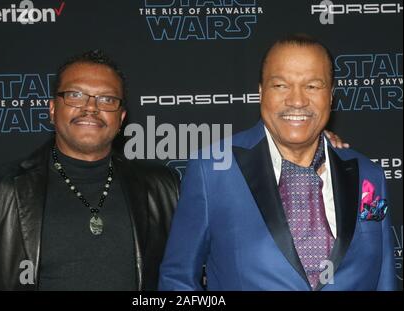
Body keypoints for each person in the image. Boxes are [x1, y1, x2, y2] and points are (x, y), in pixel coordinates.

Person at [158, 34, 396, 291]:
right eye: (281, 85)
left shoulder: (368, 174)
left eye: (313, 86)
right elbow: (177, 280)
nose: (297, 100)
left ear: (331, 95)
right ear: (261, 92)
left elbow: (384, 278)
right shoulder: (213, 169)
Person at [0, 50, 180, 290]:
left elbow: (184, 278)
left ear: (121, 117)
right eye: (75, 95)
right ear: (52, 109)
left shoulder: (162, 187)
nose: (91, 108)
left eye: (107, 99)